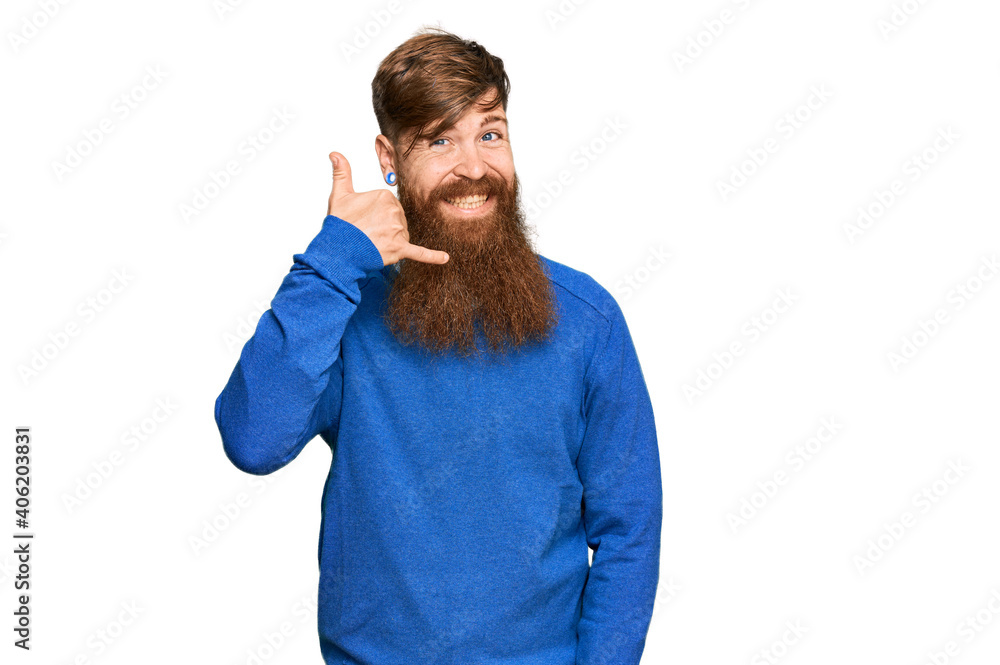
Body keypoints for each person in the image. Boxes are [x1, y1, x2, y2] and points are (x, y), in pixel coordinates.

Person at [214, 25, 662, 665]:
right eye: (439, 139)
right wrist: (332, 260)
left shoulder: (588, 319)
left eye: (490, 134)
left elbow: (629, 530)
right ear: (389, 157)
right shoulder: (342, 306)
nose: (474, 167)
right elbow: (253, 441)